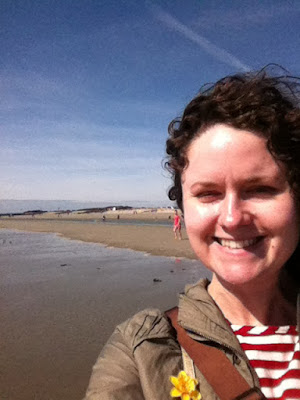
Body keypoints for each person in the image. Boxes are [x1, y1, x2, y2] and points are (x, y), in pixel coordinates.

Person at [83, 67, 300, 399]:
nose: (231, 217)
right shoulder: (142, 350)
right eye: (208, 193)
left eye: (259, 188)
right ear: (184, 210)